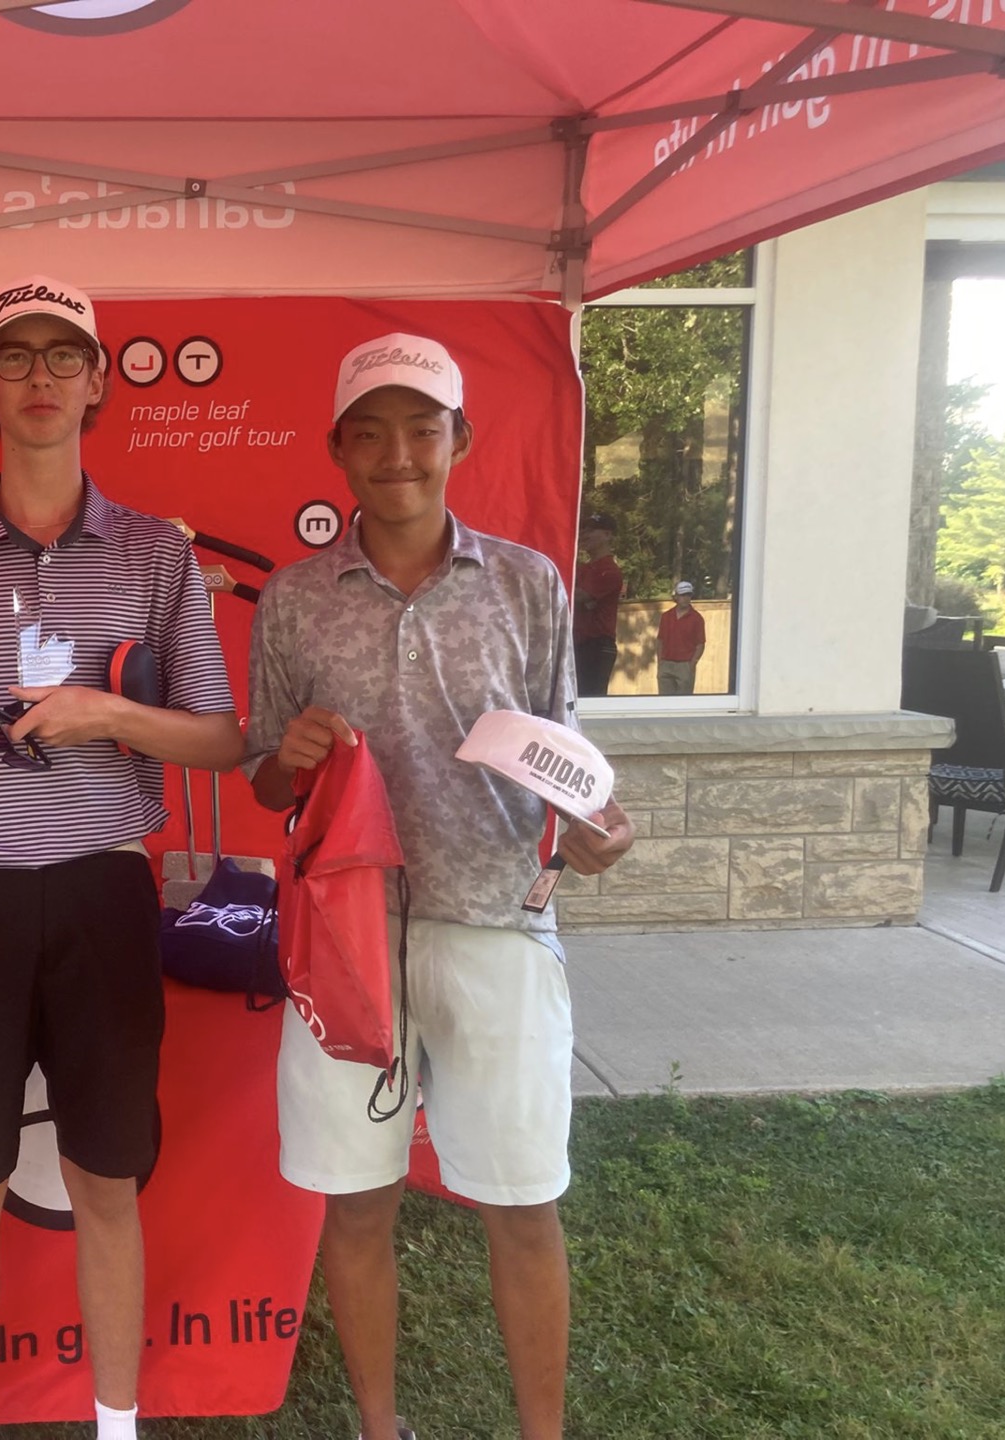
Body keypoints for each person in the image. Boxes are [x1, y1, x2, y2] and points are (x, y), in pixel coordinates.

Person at [0, 275, 242, 1440]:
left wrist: (105, 716)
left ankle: (117, 1424)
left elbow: (223, 741)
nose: (38, 378)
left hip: (103, 893)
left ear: (98, 381)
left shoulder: (157, 555)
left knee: (106, 1183)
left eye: (63, 356)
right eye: (13, 357)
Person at [244, 333, 634, 1440]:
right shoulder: (296, 598)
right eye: (371, 432)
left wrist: (595, 831)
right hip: (346, 937)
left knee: (523, 1203)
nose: (398, 454)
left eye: (422, 429)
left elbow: (565, 759)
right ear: (337, 448)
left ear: (460, 439)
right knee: (357, 1204)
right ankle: (382, 1428)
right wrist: (290, 759)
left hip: (496, 925)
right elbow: (266, 774)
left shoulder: (527, 582)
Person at [572, 513, 623, 697]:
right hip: (577, 643)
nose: (585, 534)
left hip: (597, 646)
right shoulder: (582, 569)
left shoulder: (609, 570)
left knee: (590, 698)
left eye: (592, 530)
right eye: (583, 530)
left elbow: (578, 596)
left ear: (608, 535)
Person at [655, 580, 707, 694]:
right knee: (664, 701)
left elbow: (700, 644)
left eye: (688, 595)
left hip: (685, 665)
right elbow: (660, 640)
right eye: (683, 595)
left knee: (683, 701)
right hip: (666, 664)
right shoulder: (666, 616)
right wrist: (660, 662)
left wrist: (692, 664)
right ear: (676, 597)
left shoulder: (697, 618)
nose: (686, 598)